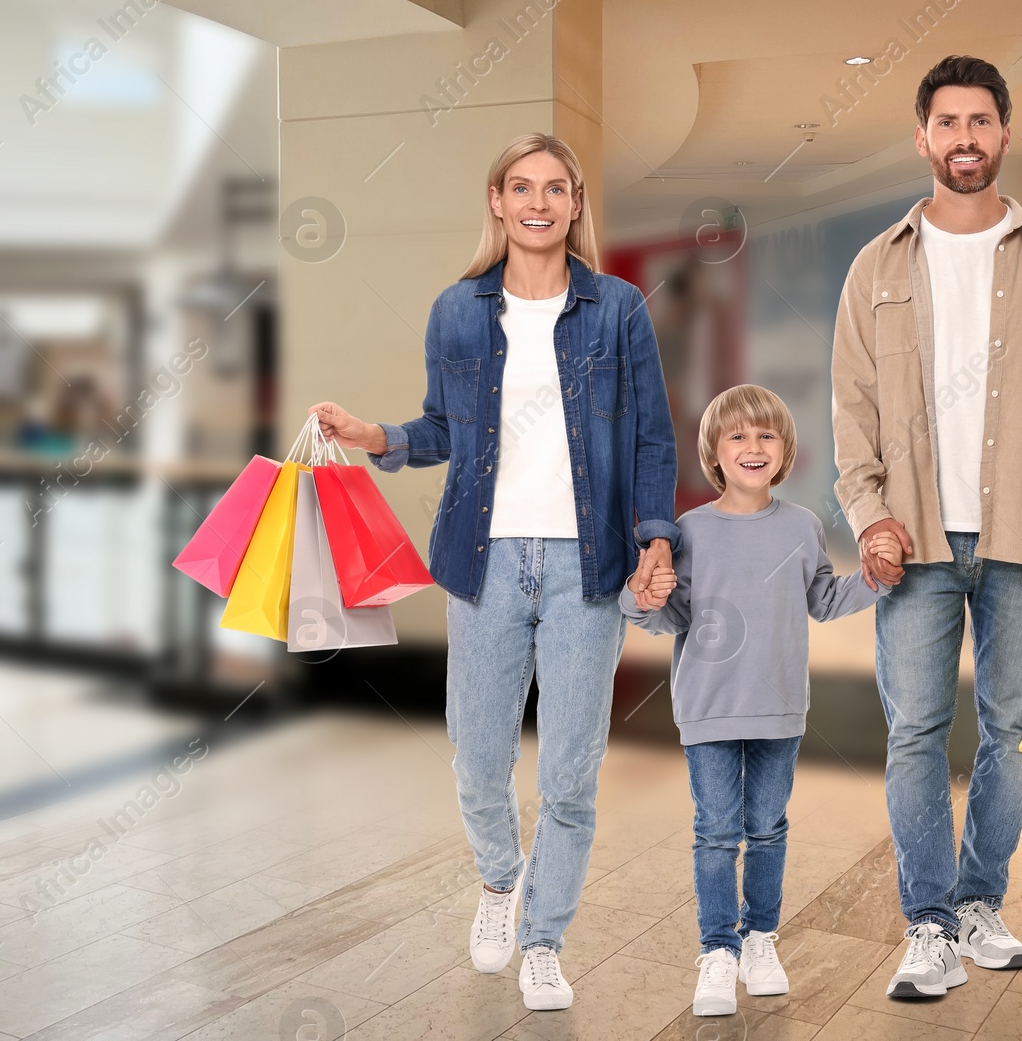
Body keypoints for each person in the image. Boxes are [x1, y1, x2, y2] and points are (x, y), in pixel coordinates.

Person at [309, 133, 679, 1011]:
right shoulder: (458, 311)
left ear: (577, 203)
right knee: (477, 758)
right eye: (522, 187)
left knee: (570, 775)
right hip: (484, 557)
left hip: (589, 567)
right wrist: (379, 439)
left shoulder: (620, 309)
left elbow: (653, 437)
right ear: (498, 201)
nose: (539, 202)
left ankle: (545, 940)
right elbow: (445, 427)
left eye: (556, 188)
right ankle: (499, 882)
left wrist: (657, 539)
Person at [831, 55, 1022, 998]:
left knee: (1015, 729)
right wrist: (869, 513)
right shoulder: (876, 265)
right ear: (922, 136)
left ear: (1005, 134)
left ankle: (979, 902)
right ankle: (927, 924)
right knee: (916, 730)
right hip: (915, 539)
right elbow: (850, 407)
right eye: (947, 123)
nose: (964, 138)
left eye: (981, 122)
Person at [619, 384, 904, 1016]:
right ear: (714, 454)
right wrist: (643, 598)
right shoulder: (686, 531)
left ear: (786, 452)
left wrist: (875, 583)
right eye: (738, 436)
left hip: (780, 708)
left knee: (768, 828)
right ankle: (718, 951)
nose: (754, 446)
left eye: (767, 435)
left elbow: (825, 600)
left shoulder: (803, 527)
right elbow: (669, 619)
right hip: (708, 707)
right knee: (716, 832)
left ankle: (759, 939)